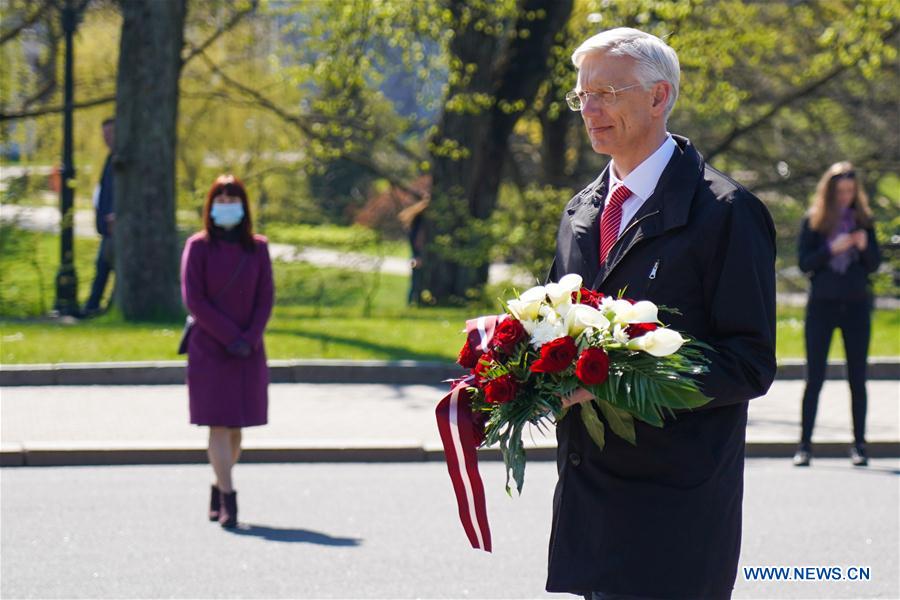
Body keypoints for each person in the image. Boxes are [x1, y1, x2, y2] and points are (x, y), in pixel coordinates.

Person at [545, 28, 776, 599]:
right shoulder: (582, 210)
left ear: (658, 97)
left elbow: (748, 365)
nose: (590, 109)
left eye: (607, 93)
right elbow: (557, 328)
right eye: (582, 96)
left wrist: (615, 382)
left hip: (676, 512)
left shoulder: (726, 213)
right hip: (591, 504)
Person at [180, 174, 274, 528]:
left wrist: (248, 338)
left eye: (232, 199)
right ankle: (230, 499)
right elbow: (194, 298)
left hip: (247, 351)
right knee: (218, 425)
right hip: (210, 349)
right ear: (210, 207)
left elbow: (266, 297)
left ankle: (219, 483)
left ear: (244, 207)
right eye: (220, 200)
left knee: (236, 430)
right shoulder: (198, 247)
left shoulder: (258, 248)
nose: (226, 206)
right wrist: (228, 335)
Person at [793, 162, 881, 468]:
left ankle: (859, 445)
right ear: (830, 193)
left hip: (856, 305)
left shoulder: (864, 221)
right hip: (822, 306)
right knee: (814, 377)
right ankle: (804, 445)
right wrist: (833, 248)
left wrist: (864, 246)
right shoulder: (814, 222)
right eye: (840, 192)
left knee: (858, 377)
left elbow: (873, 265)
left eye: (850, 191)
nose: (845, 197)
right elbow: (805, 263)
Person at [83, 118, 116, 316]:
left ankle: (94, 306)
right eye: (104, 135)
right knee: (102, 266)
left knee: (107, 264)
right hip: (107, 228)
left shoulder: (118, 161)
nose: (107, 139)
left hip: (115, 227)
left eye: (110, 134)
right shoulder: (110, 159)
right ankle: (93, 305)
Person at [398, 198, 429, 304]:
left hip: (417, 255)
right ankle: (413, 302)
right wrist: (418, 256)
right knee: (416, 281)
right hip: (418, 255)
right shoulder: (420, 224)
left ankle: (415, 302)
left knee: (417, 280)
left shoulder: (417, 224)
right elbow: (417, 242)